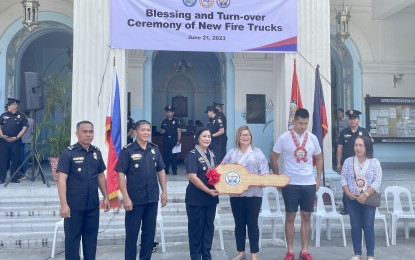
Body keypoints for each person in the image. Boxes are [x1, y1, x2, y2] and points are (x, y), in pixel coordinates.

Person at [270, 108, 323, 260]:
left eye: (306, 123)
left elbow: (319, 158)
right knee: (290, 216)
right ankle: (290, 251)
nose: (303, 126)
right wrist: (277, 178)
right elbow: (273, 157)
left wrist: (318, 179)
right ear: (294, 121)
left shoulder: (312, 138)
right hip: (290, 183)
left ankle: (305, 250)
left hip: (308, 183)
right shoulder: (284, 138)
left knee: (306, 216)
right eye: (300, 123)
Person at [57, 120, 110, 260]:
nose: (88, 134)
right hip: (74, 206)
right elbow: (61, 180)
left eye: (91, 131)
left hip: (92, 205)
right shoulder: (68, 153)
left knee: (91, 240)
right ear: (77, 134)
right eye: (84, 131)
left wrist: (106, 196)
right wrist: (63, 204)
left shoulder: (96, 152)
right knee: (72, 241)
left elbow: (100, 176)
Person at [116, 120, 167, 260]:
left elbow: (161, 170)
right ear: (136, 132)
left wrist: (164, 191)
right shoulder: (128, 150)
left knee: (149, 234)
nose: (146, 133)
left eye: (148, 130)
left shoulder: (154, 149)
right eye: (143, 130)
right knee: (132, 234)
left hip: (152, 198)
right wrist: (125, 197)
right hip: (134, 199)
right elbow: (120, 174)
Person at [222, 125, 269, 260]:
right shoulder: (232, 153)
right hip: (236, 195)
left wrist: (261, 180)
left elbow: (264, 171)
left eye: (247, 135)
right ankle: (241, 252)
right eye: (242, 135)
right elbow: (222, 168)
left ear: (251, 137)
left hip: (254, 194)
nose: (245, 137)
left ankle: (254, 253)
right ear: (238, 137)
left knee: (252, 223)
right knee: (239, 223)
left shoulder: (257, 153)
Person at [341, 135, 382, 260]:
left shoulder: (374, 162)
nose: (357, 148)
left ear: (367, 147)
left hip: (368, 199)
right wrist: (348, 193)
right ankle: (357, 253)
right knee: (355, 226)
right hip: (352, 199)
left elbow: (377, 181)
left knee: (368, 226)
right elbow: (343, 179)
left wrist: (365, 194)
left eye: (361, 145)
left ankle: (370, 255)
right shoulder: (348, 161)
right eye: (355, 145)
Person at [185, 127, 219, 260]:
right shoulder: (192, 154)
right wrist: (208, 190)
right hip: (196, 199)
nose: (207, 139)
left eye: (209, 136)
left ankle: (206, 256)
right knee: (196, 231)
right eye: (204, 136)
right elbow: (192, 177)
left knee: (209, 229)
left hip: (210, 199)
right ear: (198, 138)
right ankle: (195, 257)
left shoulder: (212, 154)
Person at [337, 109, 373, 215]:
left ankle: (363, 202)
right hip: (348, 164)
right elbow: (339, 148)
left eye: (355, 118)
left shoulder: (364, 132)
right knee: (347, 184)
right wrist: (338, 163)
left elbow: (369, 147)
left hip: (362, 163)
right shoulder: (344, 132)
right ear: (348, 120)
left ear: (358, 119)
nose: (353, 121)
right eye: (351, 119)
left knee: (363, 182)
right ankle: (346, 207)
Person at [0, 98, 28, 184]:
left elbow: (25, 128)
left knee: (15, 160)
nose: (8, 106)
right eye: (8, 105)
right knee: (3, 160)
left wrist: (17, 137)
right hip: (4, 141)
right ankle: (1, 178)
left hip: (16, 142)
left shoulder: (22, 116)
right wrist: (1, 135)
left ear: (15, 105)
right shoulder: (3, 115)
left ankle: (14, 178)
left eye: (10, 105)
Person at [160, 105, 181, 175]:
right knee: (166, 155)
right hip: (166, 139)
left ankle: (174, 170)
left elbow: (179, 131)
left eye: (170, 112)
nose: (168, 113)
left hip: (174, 140)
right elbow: (161, 131)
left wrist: (179, 140)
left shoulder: (176, 121)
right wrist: (161, 131)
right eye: (167, 112)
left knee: (174, 155)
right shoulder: (164, 121)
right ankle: (166, 170)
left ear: (173, 113)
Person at [20, 110, 34, 178]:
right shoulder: (32, 121)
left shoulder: (21, 120)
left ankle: (18, 172)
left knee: (19, 157)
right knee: (26, 158)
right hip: (28, 141)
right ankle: (23, 173)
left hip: (20, 141)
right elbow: (33, 132)